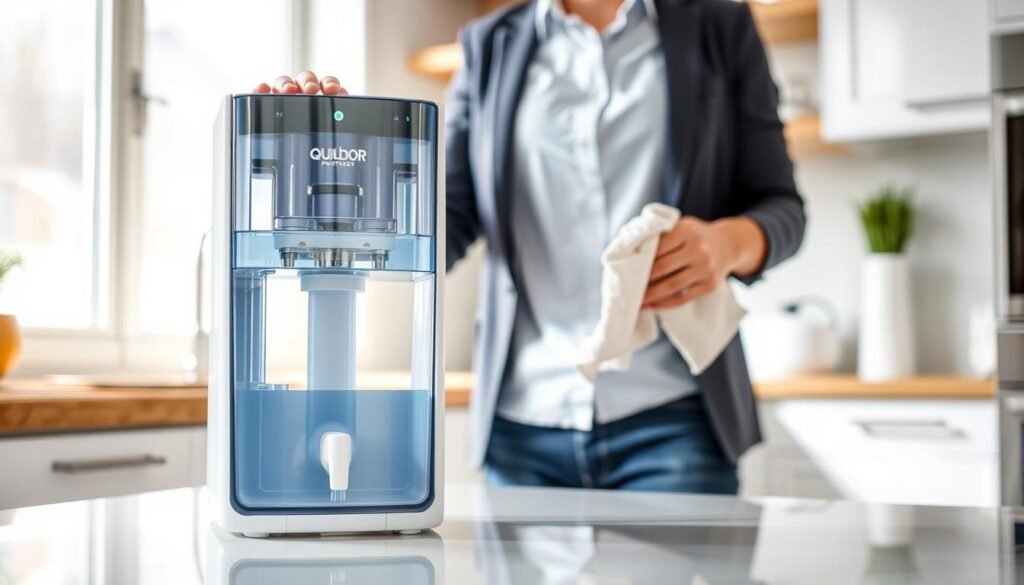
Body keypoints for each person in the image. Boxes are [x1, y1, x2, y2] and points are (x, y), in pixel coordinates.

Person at [257, 0, 805, 494]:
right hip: (523, 429)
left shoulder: (720, 25)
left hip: (676, 418)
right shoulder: (488, 43)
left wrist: (729, 243)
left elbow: (782, 207)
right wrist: (343, 163)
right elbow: (448, 217)